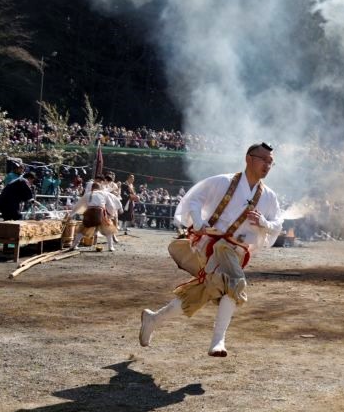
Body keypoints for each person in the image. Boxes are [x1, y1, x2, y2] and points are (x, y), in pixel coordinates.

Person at [139, 142, 282, 357]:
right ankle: (218, 341)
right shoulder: (223, 181)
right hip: (216, 246)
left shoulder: (269, 196)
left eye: (271, 162)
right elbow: (195, 198)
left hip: (239, 251)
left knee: (204, 292)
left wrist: (264, 222)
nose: (268, 165)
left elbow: (277, 224)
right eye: (264, 160)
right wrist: (197, 221)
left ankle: (153, 319)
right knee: (236, 283)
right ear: (249, 159)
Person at [68, 182, 122, 251]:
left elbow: (78, 205)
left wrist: (71, 214)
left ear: (92, 188)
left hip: (89, 213)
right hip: (101, 214)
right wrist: (111, 214)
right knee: (108, 230)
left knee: (82, 230)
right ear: (99, 188)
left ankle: (73, 245)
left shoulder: (87, 194)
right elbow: (112, 204)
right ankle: (110, 247)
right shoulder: (104, 193)